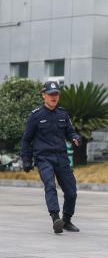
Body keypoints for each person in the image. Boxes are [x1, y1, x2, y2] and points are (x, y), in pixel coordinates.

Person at [20, 81, 81, 234]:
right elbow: (26, 139)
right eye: (50, 94)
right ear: (43, 96)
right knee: (50, 185)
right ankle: (56, 218)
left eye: (56, 94)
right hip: (44, 158)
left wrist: (75, 137)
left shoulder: (63, 114)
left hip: (61, 157)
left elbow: (70, 132)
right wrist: (26, 160)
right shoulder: (36, 116)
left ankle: (66, 220)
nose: (54, 97)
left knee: (71, 192)